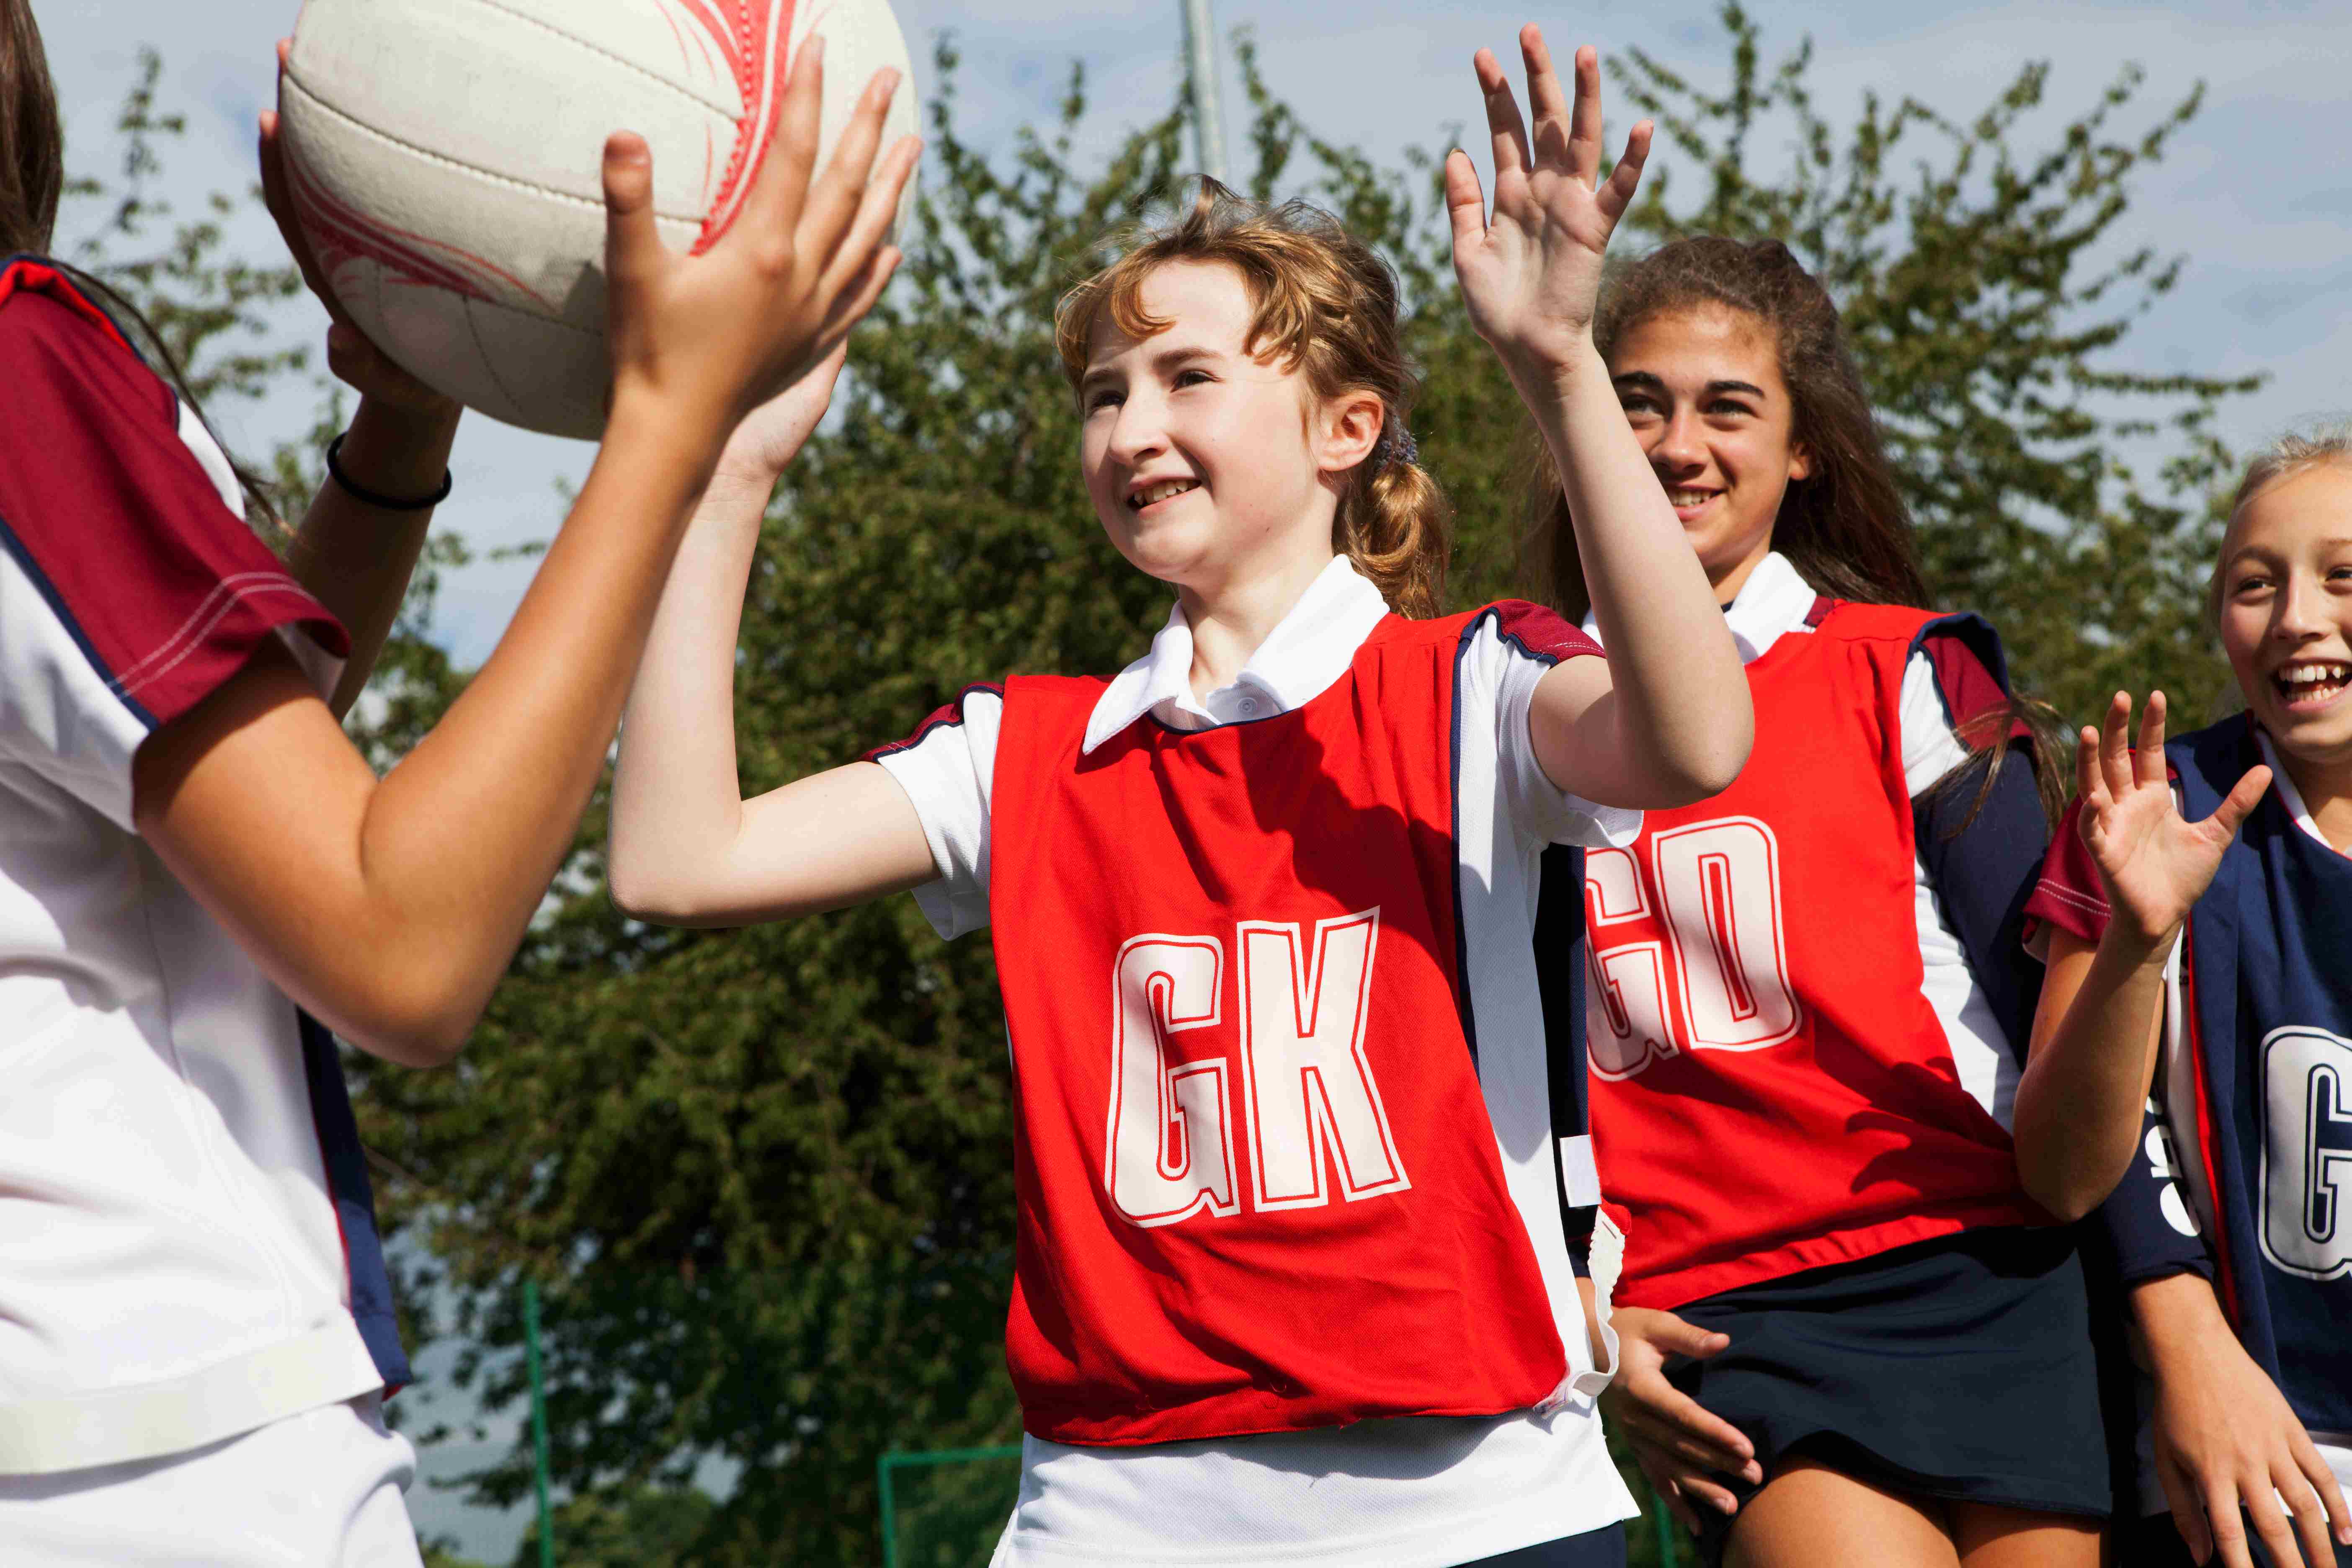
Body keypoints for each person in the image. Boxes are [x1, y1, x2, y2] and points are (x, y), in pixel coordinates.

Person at [608, 31, 1751, 1568]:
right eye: (1101, 395)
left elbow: (1694, 739)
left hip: (1480, 1512)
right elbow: (678, 860)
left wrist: (1558, 365)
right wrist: (723, 476)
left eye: (1186, 377)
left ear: (1348, 429)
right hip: (1114, 1522)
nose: (1130, 427)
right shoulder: (1029, 751)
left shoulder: (1468, 686)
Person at [0, 2, 917, 1558]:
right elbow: (392, 940)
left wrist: (399, 426)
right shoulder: (16, 381)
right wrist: (668, 423)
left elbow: (214, 800)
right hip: (144, 1447)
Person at [1532, 234, 2113, 1567]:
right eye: (1638, 402)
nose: (1678, 443)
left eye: (1727, 407)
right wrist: (1582, 1315)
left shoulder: (1910, 676)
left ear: (1804, 452)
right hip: (1738, 1304)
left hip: (1990, 1270)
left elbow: (2068, 1042)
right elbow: (1486, 1071)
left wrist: (2165, 1304)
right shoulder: (1522, 704)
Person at [2021, 426, 2352, 1568]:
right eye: (2255, 585)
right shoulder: (2153, 812)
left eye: (2341, 575)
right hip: (2248, 1466)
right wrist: (2136, 942)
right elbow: (2062, 1168)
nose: (2298, 616)